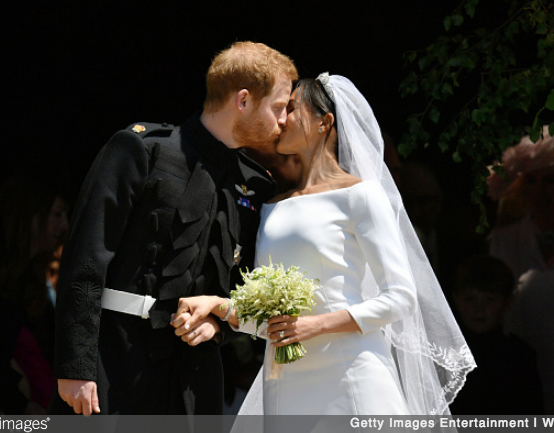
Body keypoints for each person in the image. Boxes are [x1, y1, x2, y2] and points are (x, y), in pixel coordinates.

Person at [171, 73, 475, 415]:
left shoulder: (360, 195)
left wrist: (314, 325)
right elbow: (270, 321)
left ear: (324, 123)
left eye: (291, 109)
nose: (281, 119)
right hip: (284, 384)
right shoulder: (271, 206)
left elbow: (400, 298)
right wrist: (217, 305)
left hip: (351, 374)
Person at [48, 41, 298, 416]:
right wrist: (75, 366)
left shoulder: (256, 185)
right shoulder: (141, 149)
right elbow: (86, 259)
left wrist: (220, 328)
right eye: (278, 107)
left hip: (195, 382)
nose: (284, 120)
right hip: (114, 361)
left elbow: (246, 286)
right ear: (243, 101)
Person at [486, 116, 554, 414]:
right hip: (522, 374)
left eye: (550, 180)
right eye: (531, 181)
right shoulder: (505, 240)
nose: (541, 191)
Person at [0, 167, 70, 415]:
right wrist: (20, 403)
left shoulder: (22, 276)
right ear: (30, 215)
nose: (64, 226)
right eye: (57, 214)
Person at [449, 255, 543, 415]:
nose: (479, 308)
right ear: (456, 299)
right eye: (470, 299)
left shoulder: (519, 356)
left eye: (489, 300)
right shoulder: (443, 354)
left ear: (507, 302)